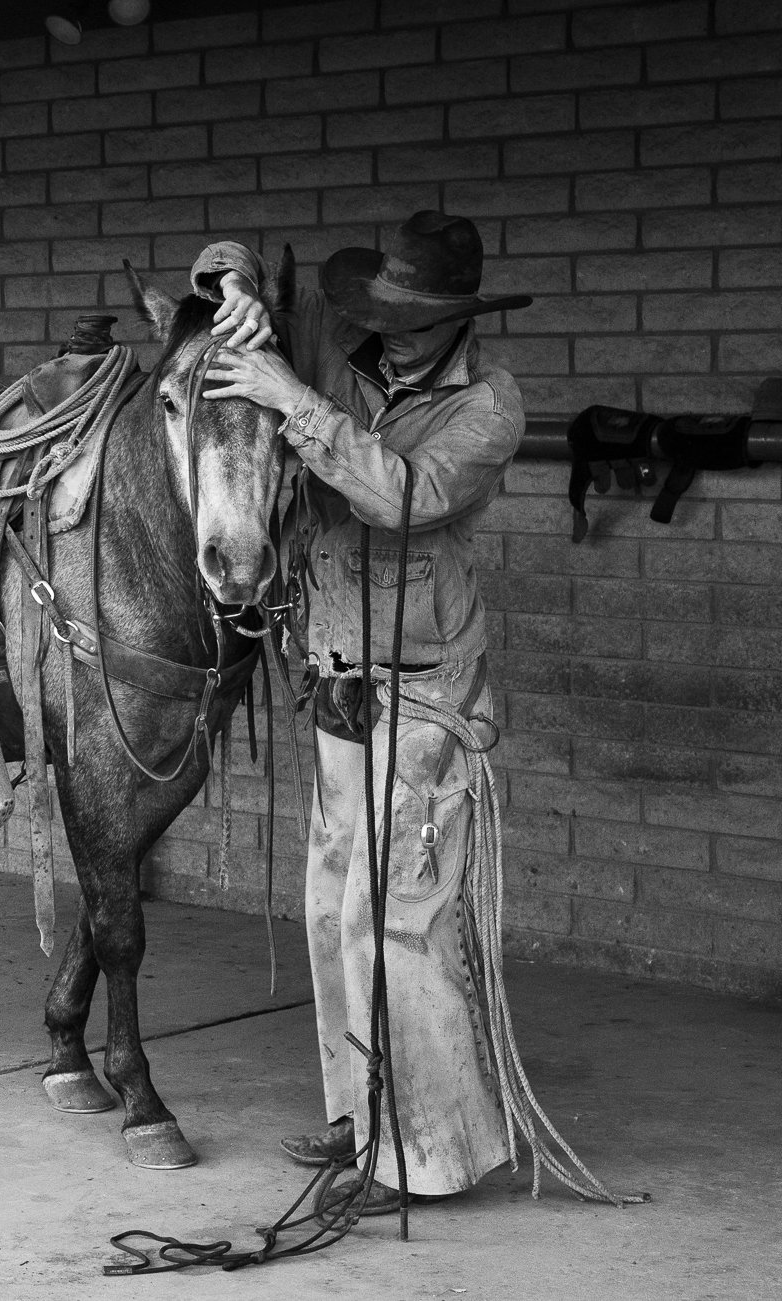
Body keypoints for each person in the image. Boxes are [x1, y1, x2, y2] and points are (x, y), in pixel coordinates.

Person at [189, 212, 531, 1214]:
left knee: (401, 919)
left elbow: (402, 494)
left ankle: (420, 1157)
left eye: (415, 318)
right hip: (336, 671)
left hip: (425, 689)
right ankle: (361, 1117)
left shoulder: (486, 406)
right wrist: (233, 290)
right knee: (335, 906)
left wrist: (289, 398)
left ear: (458, 317)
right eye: (383, 314)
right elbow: (219, 262)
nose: (394, 333)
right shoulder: (348, 366)